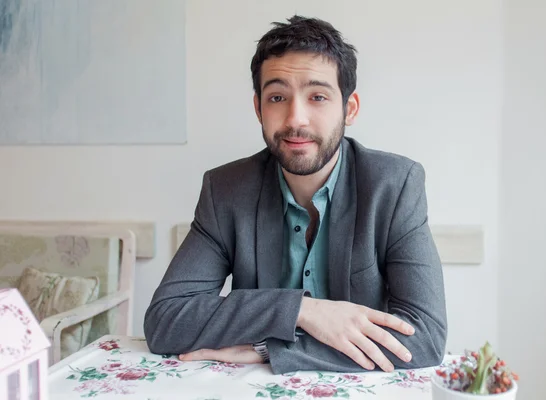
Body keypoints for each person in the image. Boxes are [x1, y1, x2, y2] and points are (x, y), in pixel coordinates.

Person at [144, 15, 447, 375]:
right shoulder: (225, 190)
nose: (296, 119)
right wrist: (303, 310)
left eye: (317, 96)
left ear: (349, 109)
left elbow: (424, 337)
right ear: (258, 108)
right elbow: (166, 321)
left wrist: (274, 349)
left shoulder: (394, 186)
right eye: (277, 97)